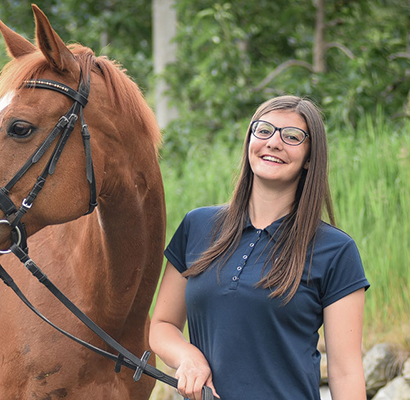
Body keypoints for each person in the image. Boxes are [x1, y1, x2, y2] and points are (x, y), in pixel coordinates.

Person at [149, 95, 369, 400]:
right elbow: (162, 324)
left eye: (292, 137)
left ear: (309, 158)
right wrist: (187, 356)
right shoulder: (197, 226)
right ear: (249, 141)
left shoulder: (336, 251)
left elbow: (346, 372)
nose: (274, 142)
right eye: (263, 130)